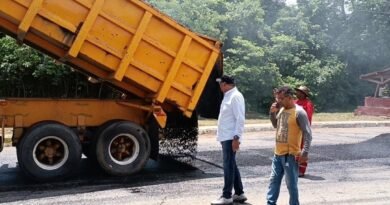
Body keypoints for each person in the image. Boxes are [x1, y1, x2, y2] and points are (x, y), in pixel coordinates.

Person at [267, 86, 312, 205]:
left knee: (291, 185)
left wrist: (305, 152)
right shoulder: (281, 109)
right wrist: (272, 113)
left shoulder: (299, 112)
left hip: (290, 156)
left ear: (289, 97)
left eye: (281, 98)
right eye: (277, 98)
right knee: (273, 180)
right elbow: (276, 125)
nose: (278, 101)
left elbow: (308, 134)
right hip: (278, 154)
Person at [211, 75, 247, 205]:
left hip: (230, 137)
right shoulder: (229, 95)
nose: (220, 86)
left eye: (221, 84)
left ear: (226, 84)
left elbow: (240, 119)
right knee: (231, 164)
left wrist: (236, 138)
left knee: (228, 166)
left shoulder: (235, 96)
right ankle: (239, 193)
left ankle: (226, 196)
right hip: (226, 136)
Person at [294, 85, 314, 177]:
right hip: (294, 130)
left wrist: (305, 129)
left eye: (298, 91)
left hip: (302, 130)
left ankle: (301, 169)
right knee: (295, 149)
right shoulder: (294, 102)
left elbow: (308, 118)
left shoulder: (308, 104)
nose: (296, 93)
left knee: (302, 149)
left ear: (303, 94)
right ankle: (294, 168)